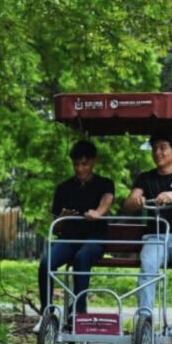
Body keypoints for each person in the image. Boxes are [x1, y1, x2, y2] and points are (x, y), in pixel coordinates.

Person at [36, 140, 114, 329]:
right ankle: (47, 313)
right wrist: (61, 218)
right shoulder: (63, 188)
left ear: (93, 162)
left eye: (84, 164)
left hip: (94, 239)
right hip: (69, 239)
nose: (80, 169)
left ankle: (78, 310)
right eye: (77, 164)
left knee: (82, 257)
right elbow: (56, 228)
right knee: (46, 264)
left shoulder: (104, 183)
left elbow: (107, 199)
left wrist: (98, 212)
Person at [123, 133, 172, 322]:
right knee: (148, 264)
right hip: (156, 236)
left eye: (163, 147)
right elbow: (128, 205)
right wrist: (136, 201)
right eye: (154, 148)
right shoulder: (145, 178)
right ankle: (145, 319)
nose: (157, 152)